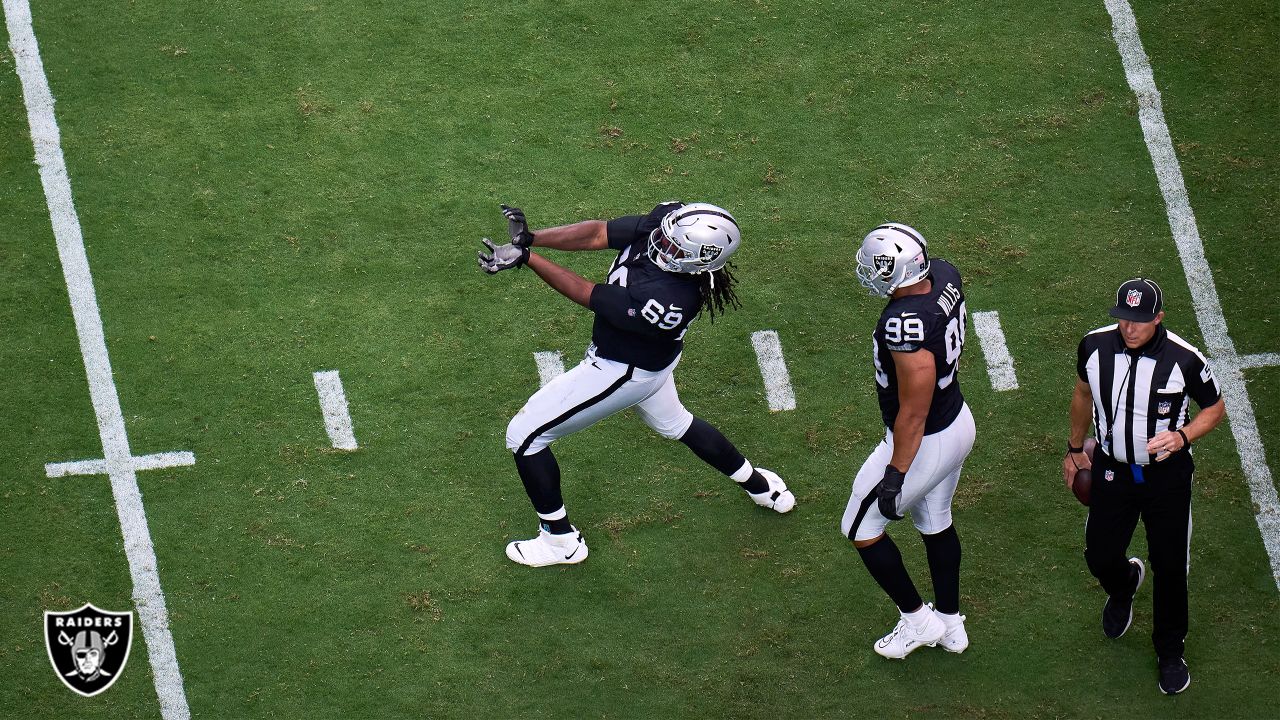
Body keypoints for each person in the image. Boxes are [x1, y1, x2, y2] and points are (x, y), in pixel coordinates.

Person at [478, 202, 795, 567]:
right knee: (678, 424)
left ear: (698, 261)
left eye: (673, 247)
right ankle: (759, 486)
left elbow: (589, 294)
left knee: (524, 436)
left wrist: (528, 257)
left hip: (623, 370)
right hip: (652, 362)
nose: (659, 241)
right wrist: (532, 238)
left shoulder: (671, 299)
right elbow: (601, 232)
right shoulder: (669, 224)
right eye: (664, 234)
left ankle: (560, 541)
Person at [1063, 277, 1225, 695]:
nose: (1129, 328)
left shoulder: (1185, 359)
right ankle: (1124, 586)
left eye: (1138, 320)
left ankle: (1170, 652)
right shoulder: (1094, 347)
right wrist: (1075, 447)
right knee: (1099, 555)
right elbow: (1082, 393)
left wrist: (1184, 436)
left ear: (1158, 318)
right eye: (1122, 318)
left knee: (1170, 568)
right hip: (1112, 469)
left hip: (1165, 477)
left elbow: (1215, 407)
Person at [840, 223, 974, 659]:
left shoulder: (904, 323)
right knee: (936, 522)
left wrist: (896, 473)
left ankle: (920, 622)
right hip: (956, 421)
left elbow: (913, 411)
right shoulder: (946, 276)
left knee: (859, 527)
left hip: (923, 439)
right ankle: (952, 624)